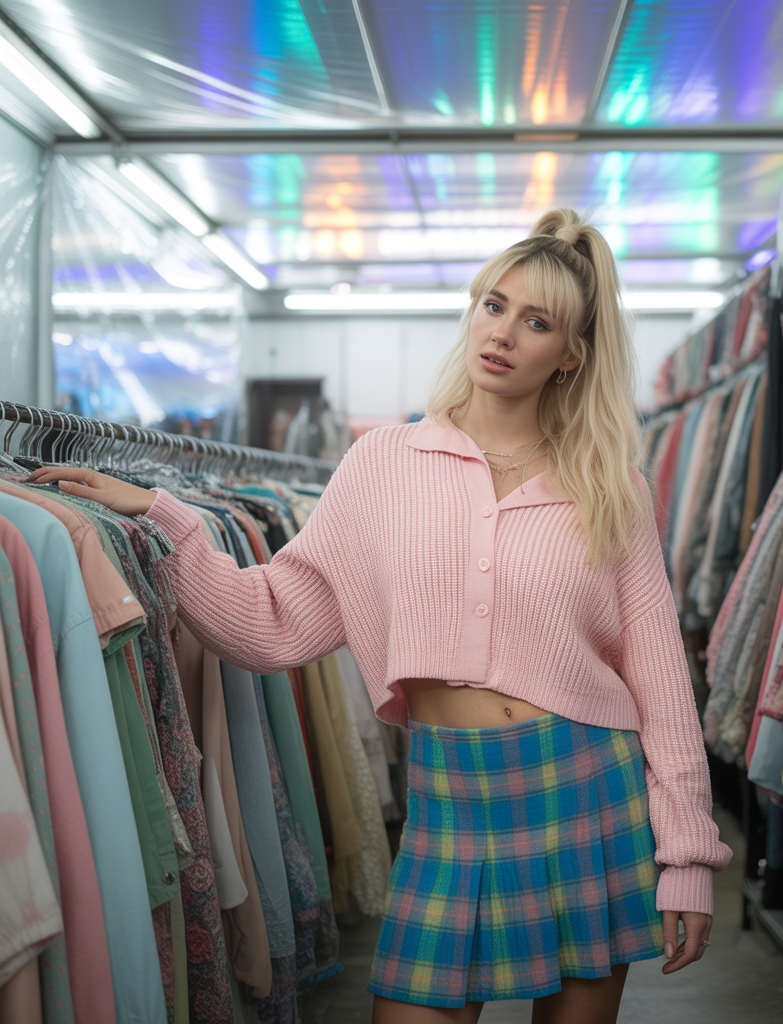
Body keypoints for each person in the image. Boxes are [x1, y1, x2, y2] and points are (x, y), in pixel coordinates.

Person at [31, 208, 732, 1024]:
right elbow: (273, 621)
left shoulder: (613, 487)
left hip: (583, 782)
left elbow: (659, 681)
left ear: (571, 354)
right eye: (492, 304)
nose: (501, 332)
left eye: (536, 321)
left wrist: (687, 855)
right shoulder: (382, 465)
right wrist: (165, 515)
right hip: (452, 795)